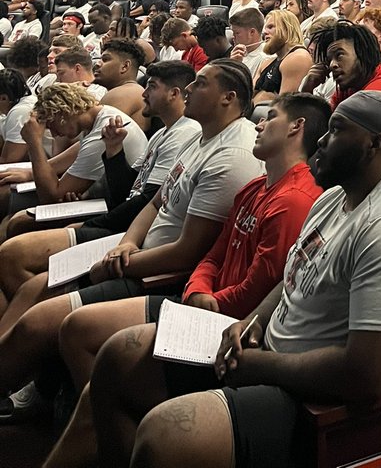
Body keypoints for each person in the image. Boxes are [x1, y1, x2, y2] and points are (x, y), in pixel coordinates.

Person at [90, 91, 381, 468]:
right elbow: (293, 274)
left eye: (337, 130)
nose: (322, 141)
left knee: (163, 436)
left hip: (317, 401)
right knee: (119, 358)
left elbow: (365, 377)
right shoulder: (334, 199)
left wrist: (257, 365)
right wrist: (255, 320)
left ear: (374, 145)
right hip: (269, 358)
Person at [36, 94, 331, 463]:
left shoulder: (296, 199)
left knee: (105, 378)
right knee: (94, 370)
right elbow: (212, 255)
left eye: (270, 117)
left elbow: (262, 285)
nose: (259, 124)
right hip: (201, 305)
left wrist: (213, 302)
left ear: (296, 127)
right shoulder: (254, 188)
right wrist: (197, 290)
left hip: (229, 324)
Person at [0, 61, 260, 419]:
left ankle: (86, 419)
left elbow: (189, 252)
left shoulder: (232, 155)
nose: (188, 90)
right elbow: (155, 202)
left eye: (199, 84)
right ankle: (42, 378)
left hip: (157, 272)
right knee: (35, 288)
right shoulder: (200, 136)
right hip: (133, 249)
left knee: (40, 318)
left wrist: (119, 260)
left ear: (228, 98)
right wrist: (127, 243)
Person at [0, 62, 199, 329]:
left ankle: (34, 336)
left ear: (174, 94)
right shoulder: (161, 132)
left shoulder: (184, 134)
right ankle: (24, 332)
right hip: (115, 220)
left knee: (15, 248)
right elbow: (129, 192)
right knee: (18, 254)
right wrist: (114, 152)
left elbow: (55, 195)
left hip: (121, 229)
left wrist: (35, 144)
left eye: (151, 87)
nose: (142, 95)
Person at [0, 83, 148, 219]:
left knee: (18, 220)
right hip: (101, 196)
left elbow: (51, 197)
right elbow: (75, 153)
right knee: (6, 193)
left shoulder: (99, 137)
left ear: (62, 114)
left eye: (52, 125)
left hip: (116, 208)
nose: (55, 134)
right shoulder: (101, 115)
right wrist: (29, 174)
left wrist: (34, 143)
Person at [302, 21, 381, 109]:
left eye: (339, 56)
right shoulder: (349, 87)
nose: (332, 65)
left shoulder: (380, 89)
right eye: (329, 60)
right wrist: (307, 90)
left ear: (363, 53)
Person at [252, 10, 312, 107]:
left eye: (270, 27)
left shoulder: (298, 58)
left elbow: (285, 106)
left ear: (287, 28)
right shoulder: (266, 63)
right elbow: (246, 96)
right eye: (264, 29)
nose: (264, 33)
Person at [229, 7, 272, 79]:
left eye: (237, 33)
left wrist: (236, 66)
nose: (233, 37)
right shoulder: (238, 53)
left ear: (252, 32)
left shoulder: (265, 58)